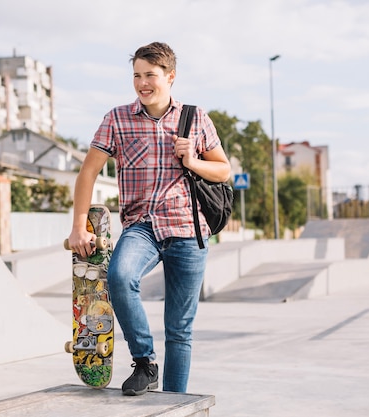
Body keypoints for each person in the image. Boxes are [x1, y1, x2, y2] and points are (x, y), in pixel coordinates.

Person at [66, 41, 230, 396]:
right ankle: (144, 362)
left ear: (170, 77)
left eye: (150, 75)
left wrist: (193, 161)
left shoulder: (195, 117)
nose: (142, 83)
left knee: (179, 330)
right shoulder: (117, 118)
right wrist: (79, 224)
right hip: (142, 227)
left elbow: (224, 171)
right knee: (120, 276)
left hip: (189, 231)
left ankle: (173, 403)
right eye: (137, 75)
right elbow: (87, 173)